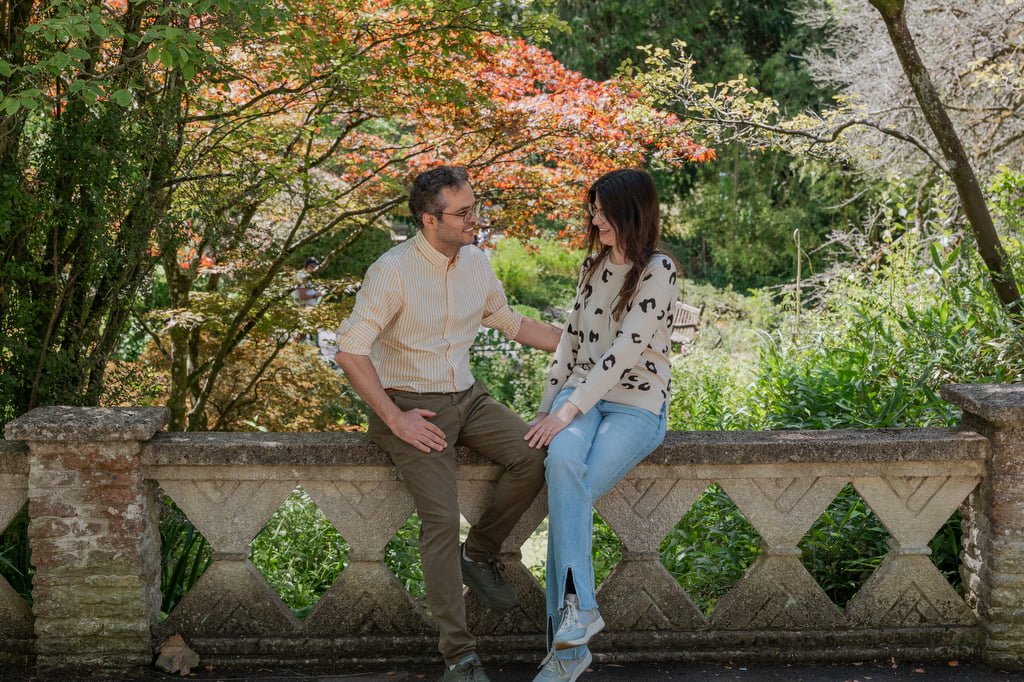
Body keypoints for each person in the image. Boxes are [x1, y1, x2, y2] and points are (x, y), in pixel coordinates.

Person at [334, 165, 561, 682]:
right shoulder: (391, 270)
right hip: (414, 406)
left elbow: (512, 323)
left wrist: (590, 346)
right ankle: (459, 656)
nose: (474, 221)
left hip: (468, 394)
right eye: (463, 213)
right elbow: (350, 351)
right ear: (428, 220)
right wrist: (395, 419)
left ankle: (478, 554)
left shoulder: (476, 262)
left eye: (475, 208)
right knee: (440, 519)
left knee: (533, 454)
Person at [524, 168, 679, 682]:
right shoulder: (592, 267)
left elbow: (624, 352)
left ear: (632, 212)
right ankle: (578, 620)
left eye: (604, 211)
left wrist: (566, 413)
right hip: (578, 398)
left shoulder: (659, 270)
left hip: (635, 405)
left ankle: (566, 654)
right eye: (592, 209)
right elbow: (569, 346)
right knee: (562, 463)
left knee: (572, 489)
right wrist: (551, 408)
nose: (595, 219)